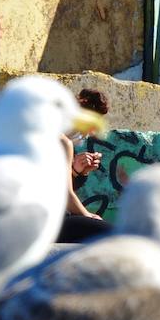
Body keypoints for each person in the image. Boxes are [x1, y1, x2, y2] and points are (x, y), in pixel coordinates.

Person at [56, 88, 111, 244]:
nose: (90, 133)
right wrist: (87, 215)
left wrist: (77, 172)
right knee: (112, 235)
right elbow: (65, 195)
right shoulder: (63, 142)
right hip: (50, 222)